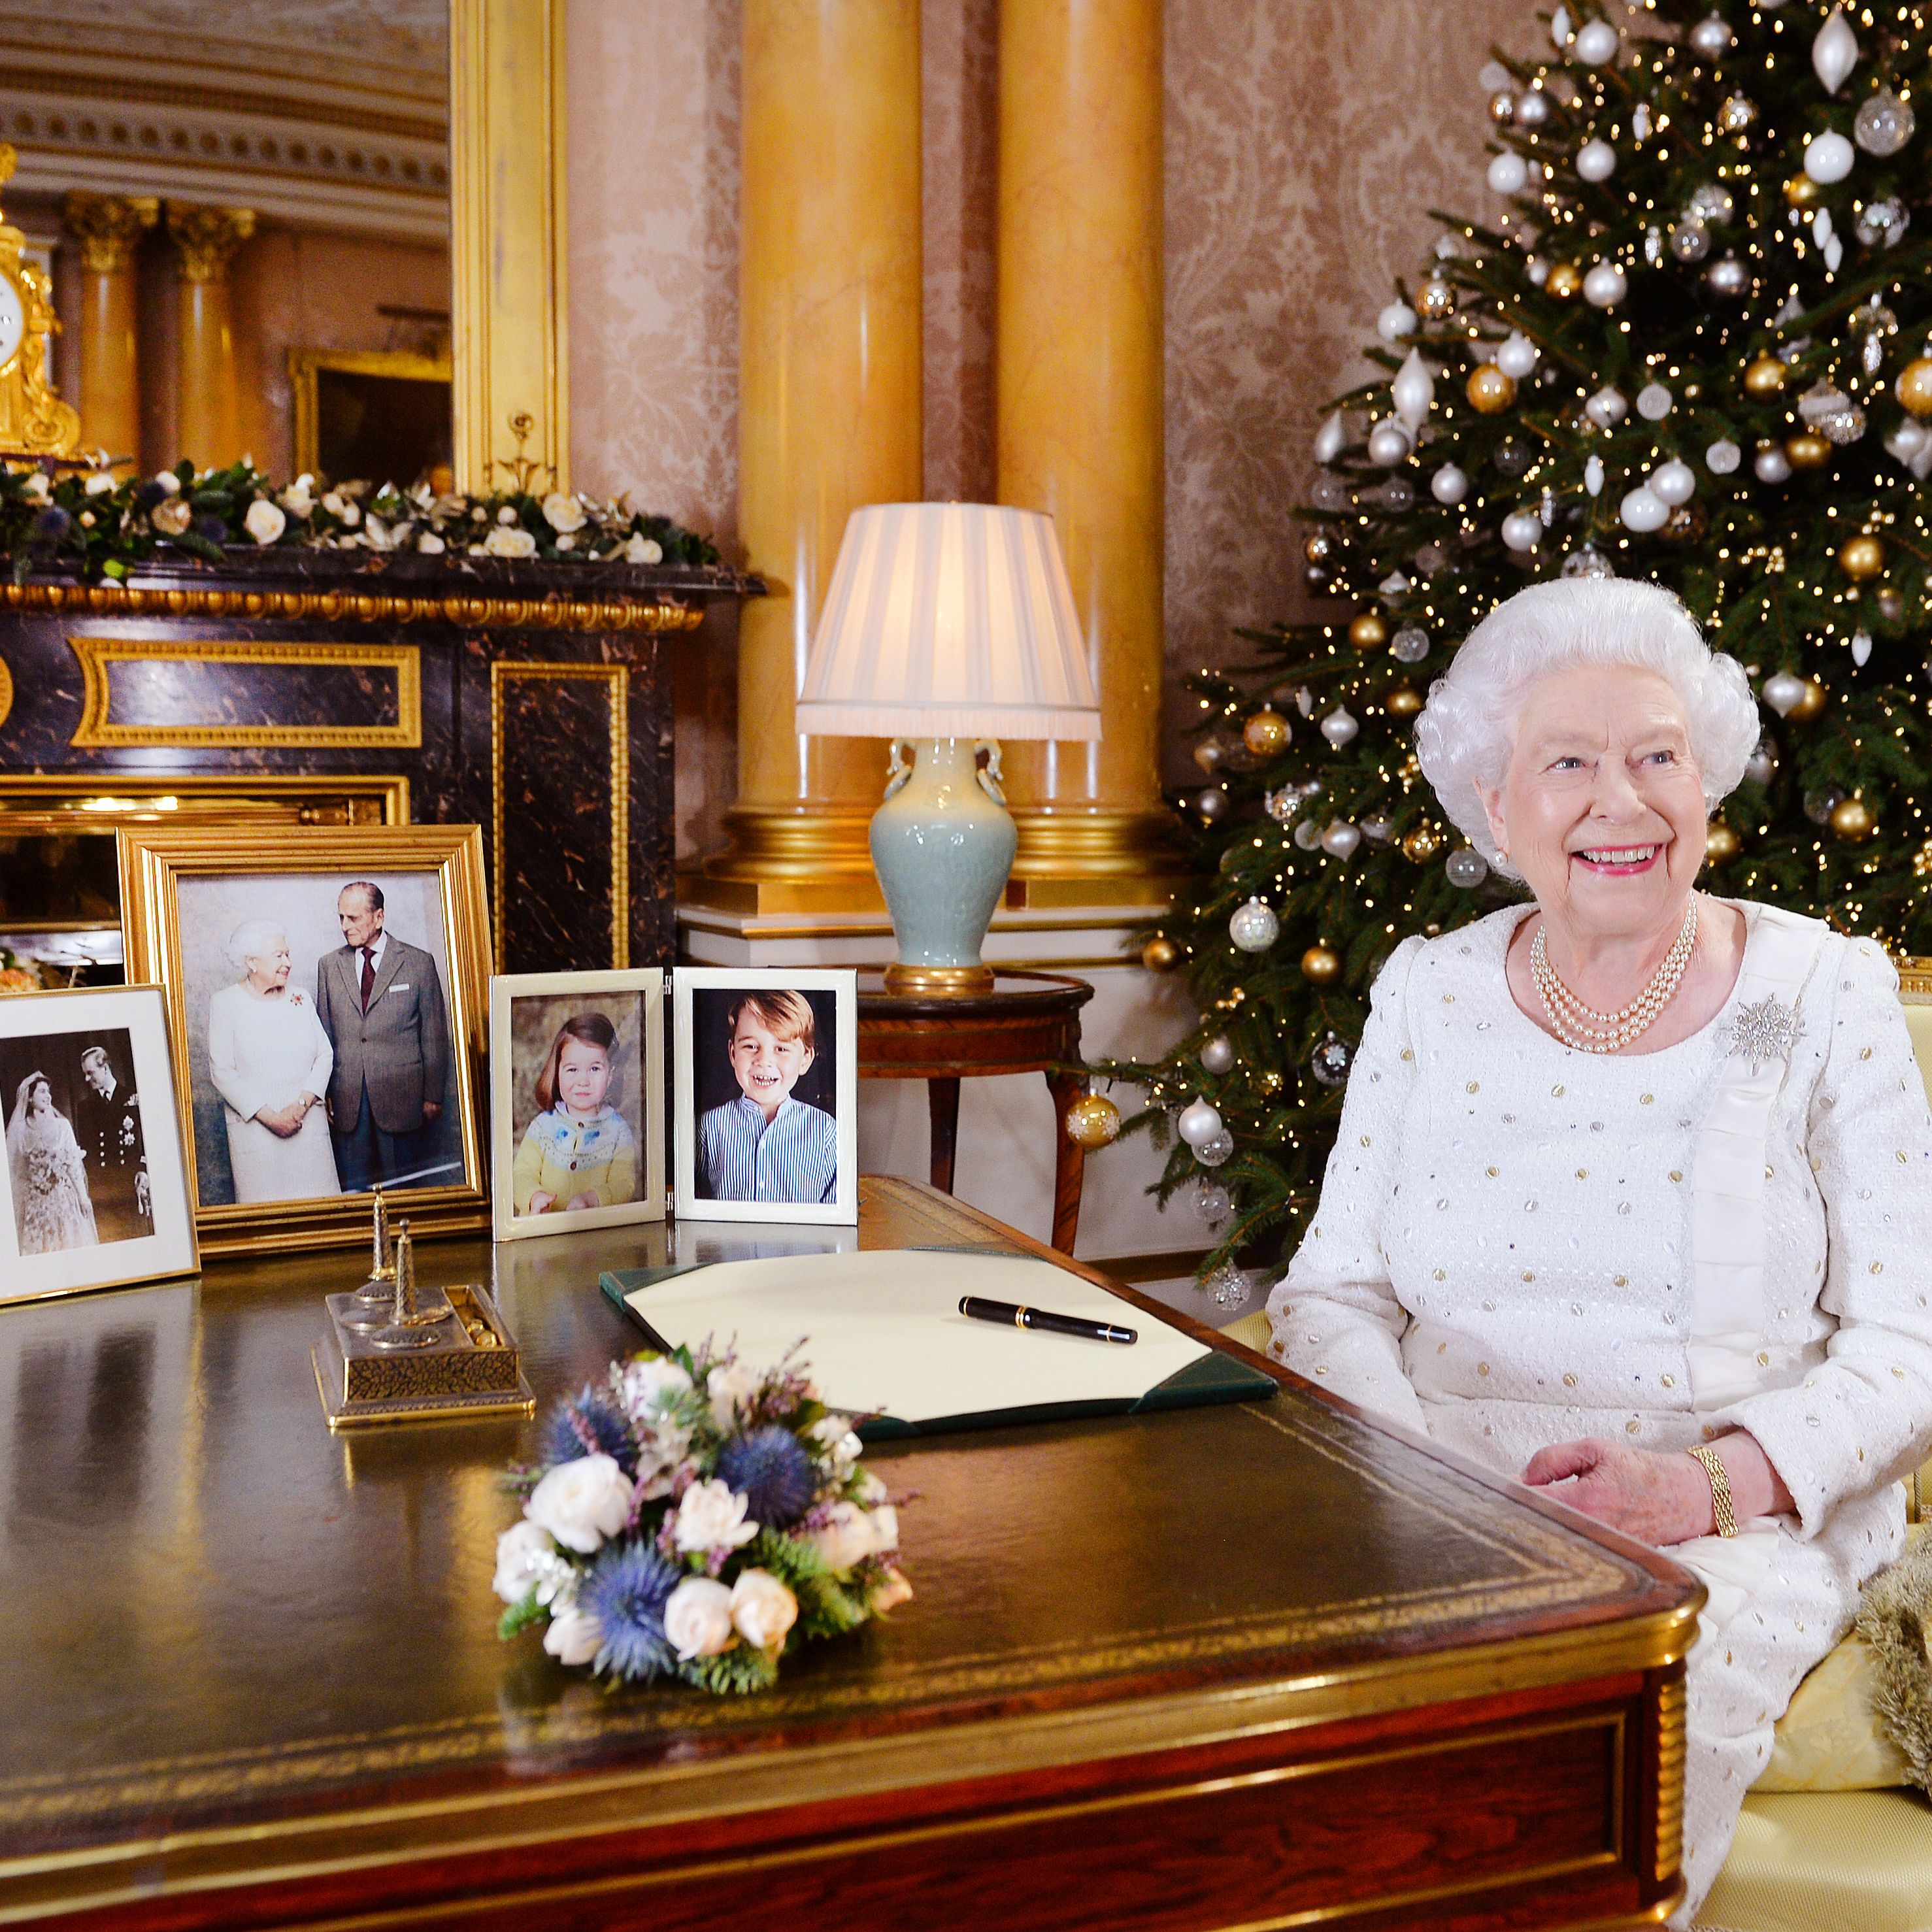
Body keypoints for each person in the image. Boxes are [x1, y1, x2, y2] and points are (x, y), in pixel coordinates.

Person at [1265, 577, 1932, 1926]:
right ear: (1493, 809)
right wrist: (1422, 1487)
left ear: (1706, 786)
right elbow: (1331, 1290)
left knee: (1594, 1733)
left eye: (1653, 756)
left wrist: (1699, 1487)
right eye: (1564, 762)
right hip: (1434, 1492)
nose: (1617, 802)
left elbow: (1910, 1338)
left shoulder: (1818, 993)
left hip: (1722, 1527)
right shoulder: (1426, 992)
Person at [316, 880, 451, 1193]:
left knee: (403, 1189)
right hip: (348, 1101)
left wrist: (433, 1095)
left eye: (354, 918)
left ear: (379, 917)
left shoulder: (418, 963)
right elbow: (324, 1035)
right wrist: (326, 1094)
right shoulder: (328, 966)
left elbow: (433, 1034)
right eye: (341, 918)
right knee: (354, 1190)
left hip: (403, 1099)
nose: (345, 927)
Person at [207, 919, 341, 1205]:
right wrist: (273, 1119)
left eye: (288, 954)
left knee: (322, 1218)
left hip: (307, 1130)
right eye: (279, 955)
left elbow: (324, 1055)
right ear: (252, 962)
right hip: (257, 1135)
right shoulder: (225, 1004)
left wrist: (301, 1106)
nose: (288, 963)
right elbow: (223, 1073)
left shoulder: (300, 998)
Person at [697, 990, 838, 1204]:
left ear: (805, 1059)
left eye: (781, 1048)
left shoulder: (825, 1131)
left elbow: (835, 1211)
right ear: (733, 1053)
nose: (764, 1061)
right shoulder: (710, 1127)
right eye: (751, 1046)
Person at [511, 1012, 638, 1215]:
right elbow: (521, 1173)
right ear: (557, 1073)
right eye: (572, 1070)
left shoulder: (618, 1131)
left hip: (595, 1238)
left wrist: (593, 1198)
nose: (583, 1081)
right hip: (544, 1236)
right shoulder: (543, 1126)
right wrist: (534, 1196)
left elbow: (624, 1183)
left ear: (611, 1075)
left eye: (595, 1069)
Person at [6, 1071, 98, 1253]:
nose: (47, 1096)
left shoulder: (62, 1126)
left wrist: (83, 1198)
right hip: (35, 1204)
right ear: (30, 1098)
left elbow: (74, 1165)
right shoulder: (19, 1130)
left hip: (64, 1201)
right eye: (41, 1092)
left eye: (48, 1091)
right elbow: (14, 1171)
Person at [74, 1044, 150, 1242]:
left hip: (130, 1182)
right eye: (85, 1074)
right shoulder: (84, 1108)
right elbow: (87, 1153)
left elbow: (148, 1140)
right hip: (102, 1188)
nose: (87, 1079)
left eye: (90, 1073)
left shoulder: (133, 1097)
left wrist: (143, 1169)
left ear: (105, 1068)